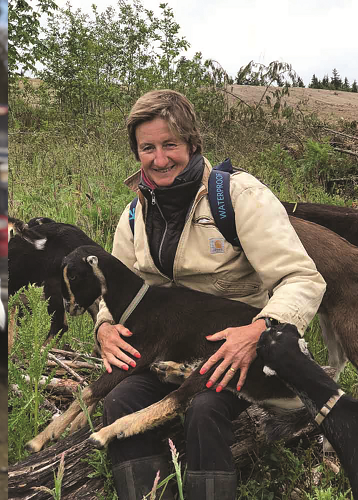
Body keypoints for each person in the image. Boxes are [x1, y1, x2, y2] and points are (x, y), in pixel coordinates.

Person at [94, 89, 326, 500]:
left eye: (171, 145)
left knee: (203, 410)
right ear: (136, 151)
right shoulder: (134, 215)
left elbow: (302, 279)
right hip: (173, 351)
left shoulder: (236, 197)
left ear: (193, 144)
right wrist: (105, 326)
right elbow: (113, 286)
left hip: (244, 355)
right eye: (148, 147)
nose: (160, 159)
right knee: (119, 401)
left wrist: (258, 331)